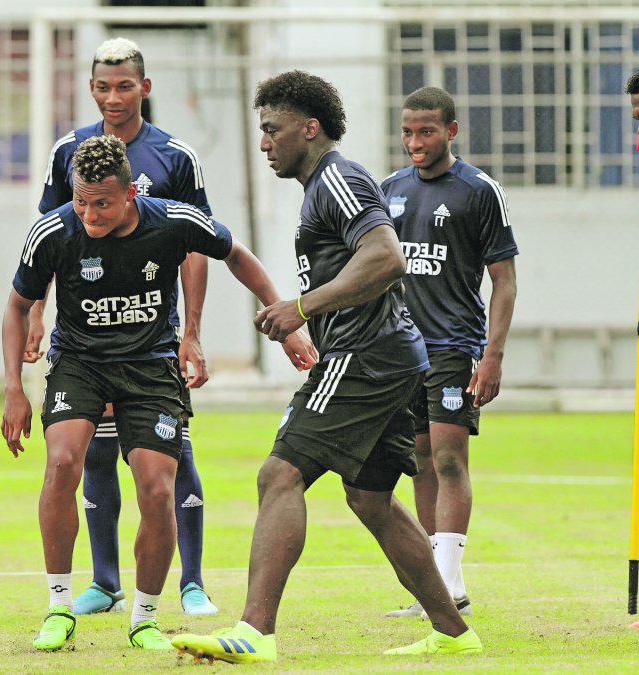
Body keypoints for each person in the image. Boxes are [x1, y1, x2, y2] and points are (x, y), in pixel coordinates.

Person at [170, 70, 483, 663]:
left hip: (364, 357)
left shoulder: (336, 178)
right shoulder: (323, 187)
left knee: (279, 475)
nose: (264, 143)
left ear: (309, 129)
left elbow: (387, 257)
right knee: (369, 498)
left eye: (272, 129)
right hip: (390, 355)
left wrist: (301, 307)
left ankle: (254, 631)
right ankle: (454, 630)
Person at [1, 134, 316, 653]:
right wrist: (14, 389)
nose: (88, 213)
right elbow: (17, 305)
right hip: (80, 363)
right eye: (81, 200)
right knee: (61, 464)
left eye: (101, 202)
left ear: (130, 195)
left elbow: (235, 254)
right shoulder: (53, 231)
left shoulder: (173, 220)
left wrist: (285, 319)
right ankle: (58, 606)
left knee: (155, 487)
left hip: (149, 368)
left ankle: (145, 617)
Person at [35, 36, 219, 616]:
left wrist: (191, 330)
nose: (113, 97)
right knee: (85, 455)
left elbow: (198, 247)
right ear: (91, 89)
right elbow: (48, 239)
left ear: (145, 87)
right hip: (83, 337)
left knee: (168, 457)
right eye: (103, 86)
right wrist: (37, 311)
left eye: (124, 85)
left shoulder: (176, 157)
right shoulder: (69, 151)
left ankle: (190, 582)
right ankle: (105, 581)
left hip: (151, 339)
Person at [379, 87, 519, 620]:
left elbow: (504, 281)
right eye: (408, 132)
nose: (416, 142)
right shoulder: (390, 190)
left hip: (455, 346)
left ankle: (446, 583)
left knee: (447, 459)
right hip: (403, 349)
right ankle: (440, 591)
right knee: (419, 463)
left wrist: (493, 354)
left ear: (451, 131)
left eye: (427, 131)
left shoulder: (479, 191)